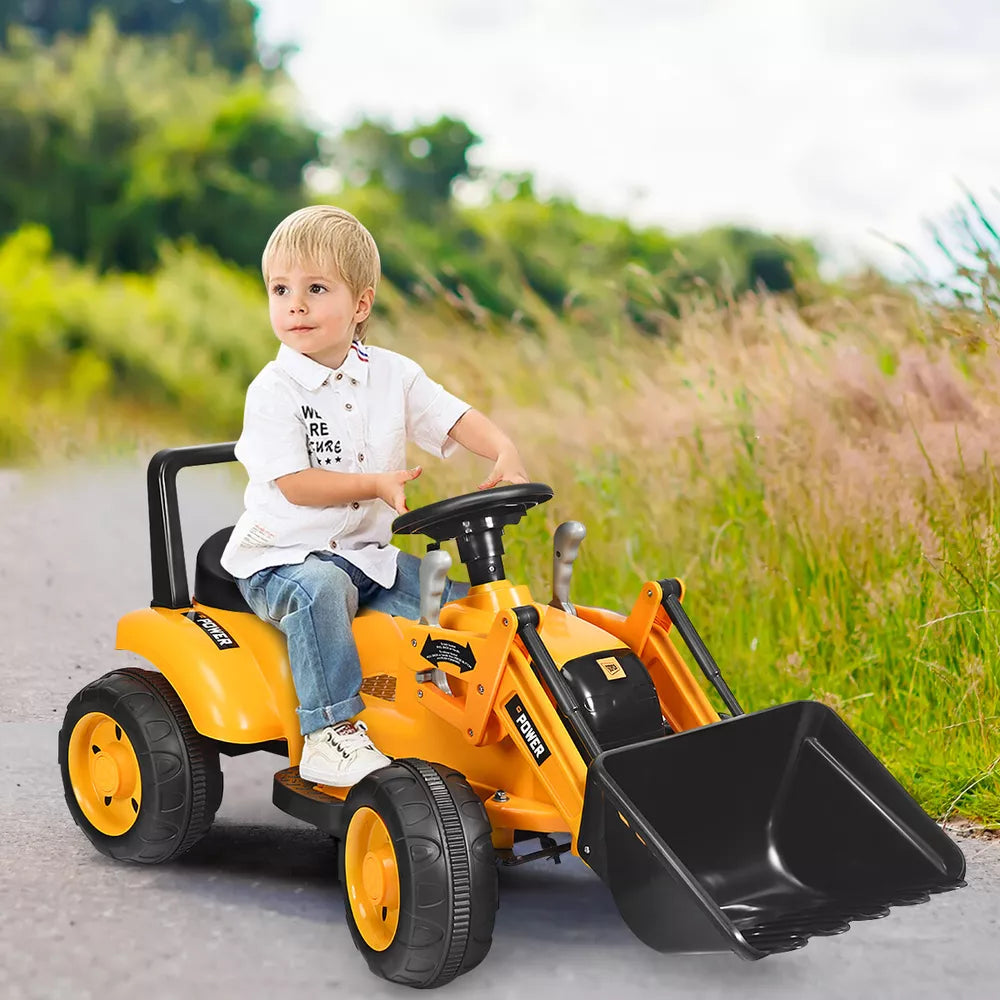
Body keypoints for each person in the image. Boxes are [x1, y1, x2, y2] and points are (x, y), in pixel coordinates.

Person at [220, 205, 529, 787]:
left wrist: (501, 449)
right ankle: (329, 734)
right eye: (280, 289)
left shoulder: (393, 375)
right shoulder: (274, 390)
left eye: (316, 288)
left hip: (369, 560)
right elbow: (294, 484)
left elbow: (451, 415)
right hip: (283, 558)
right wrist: (374, 484)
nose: (295, 305)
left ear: (360, 305)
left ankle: (490, 728)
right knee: (321, 588)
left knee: (467, 610)